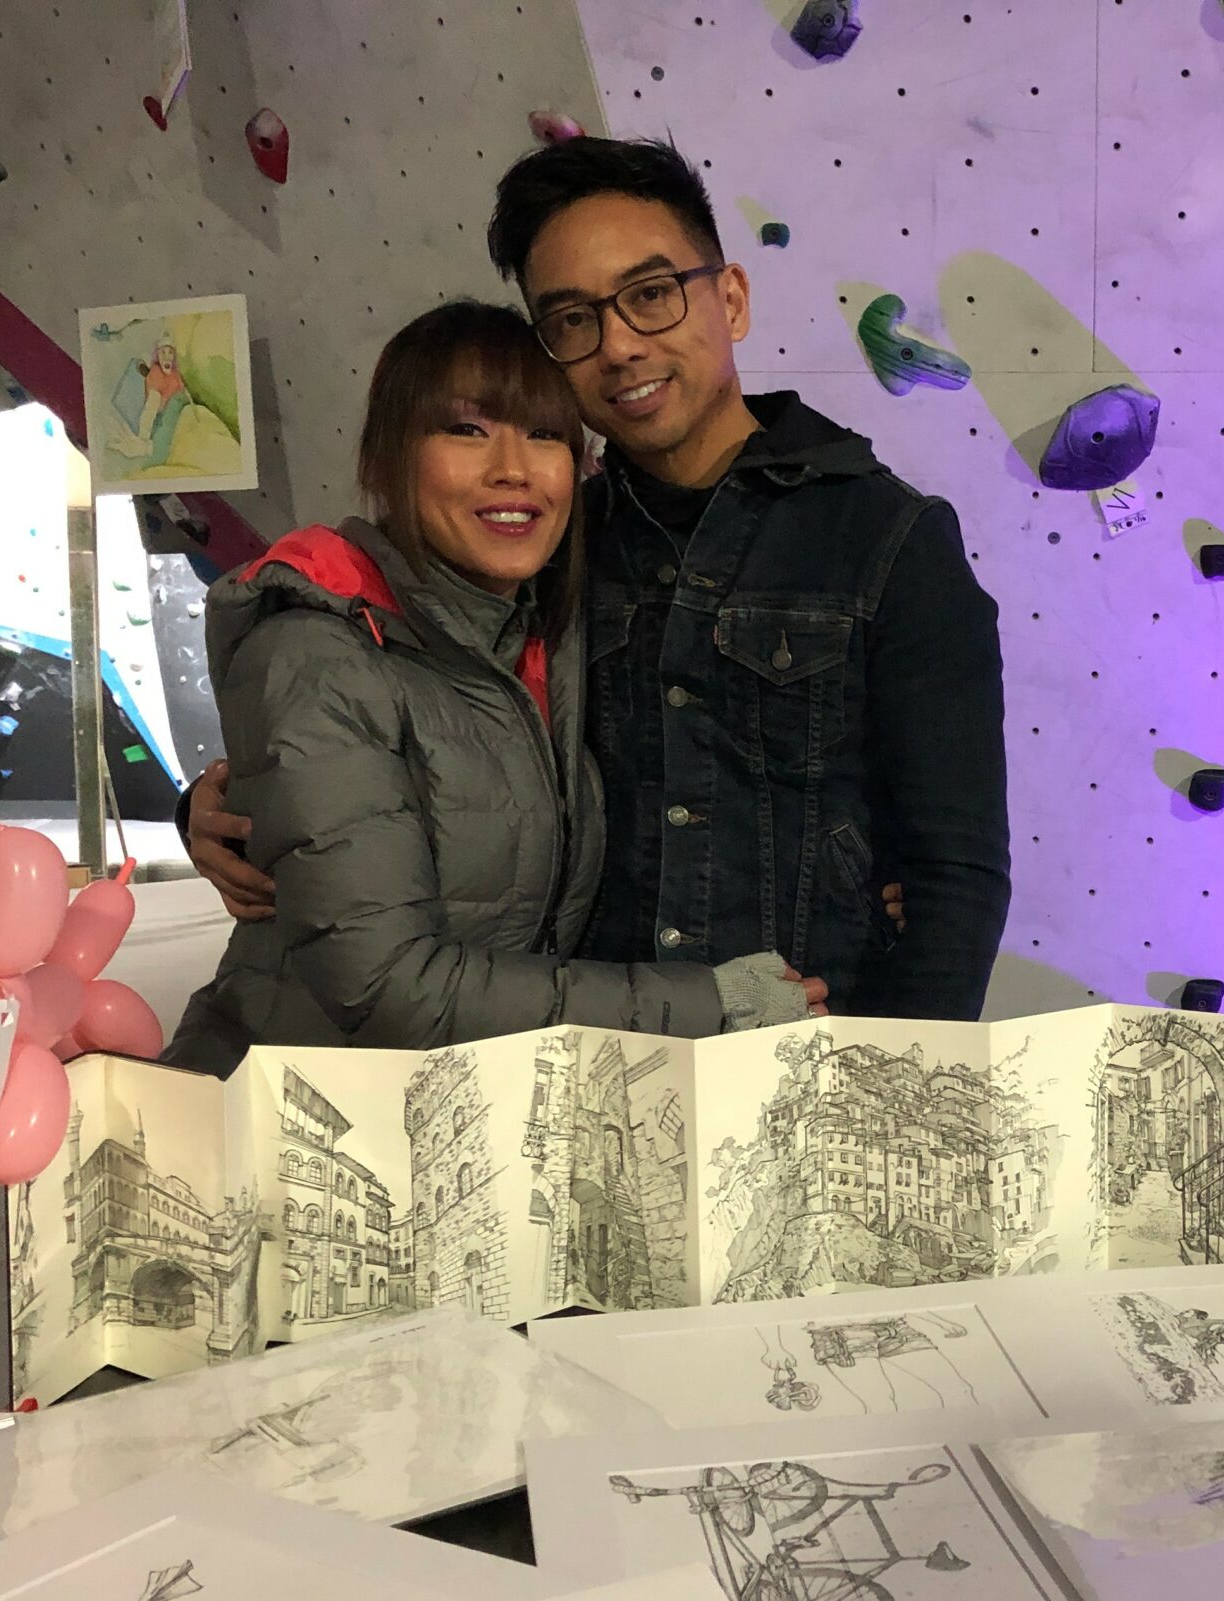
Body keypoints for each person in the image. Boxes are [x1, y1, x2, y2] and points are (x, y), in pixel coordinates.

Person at [187, 136, 1010, 1020]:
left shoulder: (887, 537)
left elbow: (953, 875)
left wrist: (906, 1077)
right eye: (574, 318)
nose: (618, 344)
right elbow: (420, 712)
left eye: (651, 295)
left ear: (729, 299)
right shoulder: (548, 536)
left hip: (800, 1057)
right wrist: (216, 805)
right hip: (579, 1068)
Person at [161, 299, 822, 1078]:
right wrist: (704, 1007)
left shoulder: (547, 630)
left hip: (459, 1112)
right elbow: (387, 984)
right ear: (388, 458)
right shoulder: (318, 646)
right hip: (301, 1120)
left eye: (544, 434)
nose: (513, 467)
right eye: (467, 429)